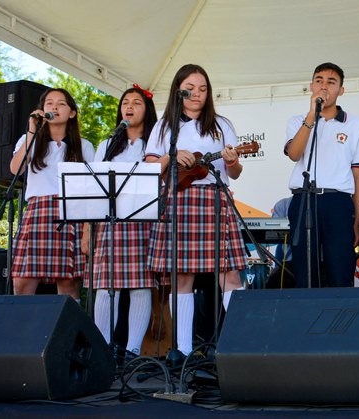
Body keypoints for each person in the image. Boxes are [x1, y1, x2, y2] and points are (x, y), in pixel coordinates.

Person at [144, 64, 247, 356]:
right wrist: (171, 155)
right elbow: (150, 167)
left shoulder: (221, 124)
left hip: (215, 198)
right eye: (191, 88)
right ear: (179, 89)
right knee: (183, 276)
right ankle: (184, 352)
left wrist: (230, 161)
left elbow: (236, 172)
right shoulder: (165, 126)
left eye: (203, 89)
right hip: (178, 200)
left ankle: (241, 349)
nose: (197, 94)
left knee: (230, 275)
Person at [82, 85, 157, 358]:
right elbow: (93, 188)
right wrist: (87, 233)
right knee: (105, 284)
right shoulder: (106, 144)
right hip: (109, 222)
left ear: (147, 110)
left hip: (143, 220)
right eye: (125, 102)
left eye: (137, 102)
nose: (129, 106)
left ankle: (133, 351)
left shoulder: (155, 144)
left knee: (140, 284)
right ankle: (102, 350)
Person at [284, 62, 359, 288]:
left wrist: (356, 221)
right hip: (304, 199)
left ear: (341, 90)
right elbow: (294, 153)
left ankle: (342, 322)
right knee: (304, 273)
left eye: (331, 82)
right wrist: (312, 115)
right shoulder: (297, 121)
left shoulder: (355, 124)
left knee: (340, 271)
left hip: (337, 202)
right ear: (311, 86)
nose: (324, 87)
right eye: (319, 80)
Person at [9, 88, 96, 300]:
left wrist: (86, 230)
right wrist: (31, 131)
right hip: (37, 211)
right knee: (22, 281)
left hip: (71, 211)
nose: (54, 107)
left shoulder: (84, 146)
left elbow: (92, 192)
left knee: (67, 283)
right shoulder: (29, 140)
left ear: (72, 113)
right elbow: (15, 169)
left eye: (61, 103)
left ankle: (66, 332)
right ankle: (24, 332)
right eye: (49, 103)